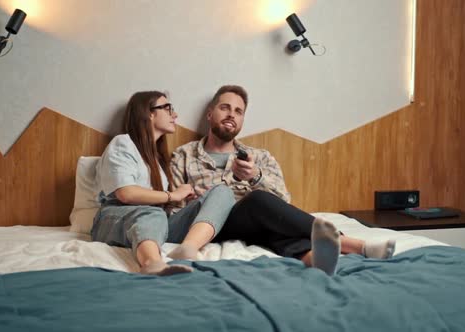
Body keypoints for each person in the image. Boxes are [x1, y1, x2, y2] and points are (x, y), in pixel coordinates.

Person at [171, 85, 395, 275]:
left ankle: (314, 259)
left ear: (242, 120)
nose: (232, 114)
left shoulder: (259, 157)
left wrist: (255, 176)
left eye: (239, 111)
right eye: (225, 107)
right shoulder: (184, 155)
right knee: (258, 201)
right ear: (210, 114)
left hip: (251, 221)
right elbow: (175, 211)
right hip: (209, 227)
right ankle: (355, 245)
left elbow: (282, 202)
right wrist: (198, 199)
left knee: (271, 219)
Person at [91, 91, 235, 276]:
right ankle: (152, 263)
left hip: (155, 222)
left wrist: (185, 200)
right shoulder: (123, 143)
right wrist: (172, 195)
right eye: (168, 108)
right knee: (152, 213)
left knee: (223, 192)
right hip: (113, 218)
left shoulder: (159, 161)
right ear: (149, 113)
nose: (174, 115)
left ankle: (188, 248)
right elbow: (125, 193)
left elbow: (160, 209)